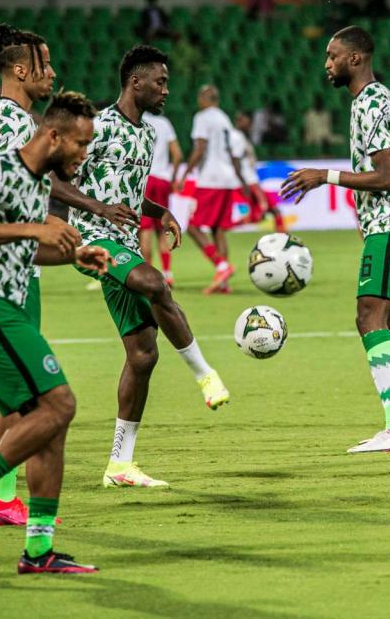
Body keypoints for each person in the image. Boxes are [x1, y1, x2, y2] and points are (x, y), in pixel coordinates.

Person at [0, 21, 134, 526]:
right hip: (3, 273)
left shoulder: (0, 115)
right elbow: (16, 183)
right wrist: (92, 207)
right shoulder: (11, 120)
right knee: (35, 396)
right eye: (45, 64)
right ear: (21, 71)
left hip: (12, 266)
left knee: (6, 388)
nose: (54, 72)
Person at [0, 91, 109, 574]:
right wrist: (34, 230)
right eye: (81, 143)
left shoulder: (37, 183)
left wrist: (74, 255)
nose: (84, 153)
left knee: (49, 423)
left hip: (7, 306)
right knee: (61, 405)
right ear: (53, 136)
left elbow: (26, 250)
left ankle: (38, 551)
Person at [68, 46, 232, 487]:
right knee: (154, 282)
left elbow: (127, 192)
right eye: (160, 82)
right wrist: (98, 208)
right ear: (134, 82)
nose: (166, 90)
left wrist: (159, 211)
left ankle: (119, 465)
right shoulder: (97, 126)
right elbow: (55, 181)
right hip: (90, 238)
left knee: (143, 354)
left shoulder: (147, 134)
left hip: (122, 243)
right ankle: (205, 374)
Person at [281, 26, 390, 453]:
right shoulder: (367, 100)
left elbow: (387, 176)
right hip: (388, 220)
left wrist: (322, 175)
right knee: (384, 319)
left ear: (355, 58)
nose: (327, 64)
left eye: (333, 56)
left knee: (368, 317)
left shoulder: (373, 102)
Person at [177, 85, 247, 294]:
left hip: (211, 178)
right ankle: (223, 283)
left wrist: (185, 173)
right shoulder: (224, 118)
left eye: (200, 97)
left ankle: (221, 266)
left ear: (205, 98)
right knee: (217, 229)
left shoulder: (203, 117)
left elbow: (200, 148)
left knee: (192, 227)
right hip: (227, 178)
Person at [139, 109, 183, 283]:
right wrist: (172, 178)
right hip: (162, 179)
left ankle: (149, 274)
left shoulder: (135, 120)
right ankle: (167, 273)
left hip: (145, 179)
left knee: (145, 229)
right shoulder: (164, 123)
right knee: (162, 226)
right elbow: (177, 154)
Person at [234, 110, 285, 231]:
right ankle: (226, 227)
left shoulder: (243, 138)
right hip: (247, 183)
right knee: (260, 214)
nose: (248, 125)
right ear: (239, 122)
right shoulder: (236, 138)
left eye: (249, 122)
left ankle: (283, 237)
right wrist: (260, 198)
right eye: (245, 122)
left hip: (250, 180)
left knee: (273, 211)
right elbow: (236, 161)